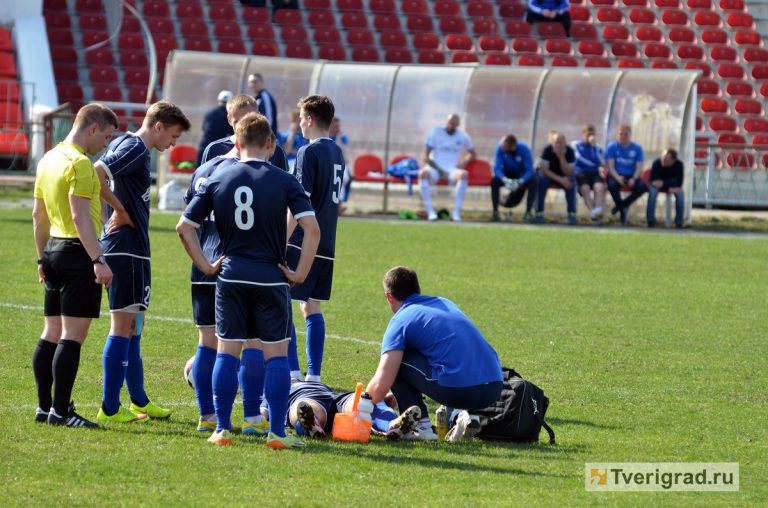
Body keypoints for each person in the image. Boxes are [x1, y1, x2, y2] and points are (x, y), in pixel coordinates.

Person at [177, 112, 321, 448]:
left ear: (236, 143)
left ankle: (222, 429)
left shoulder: (217, 176)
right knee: (276, 356)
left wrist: (207, 265)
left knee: (227, 352)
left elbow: (184, 227)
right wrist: (299, 273)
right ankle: (276, 434)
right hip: (271, 278)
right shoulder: (285, 180)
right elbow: (312, 228)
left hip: (231, 277)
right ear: (270, 144)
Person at [185, 96, 286, 435]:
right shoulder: (265, 164)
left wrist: (203, 261)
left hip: (207, 261)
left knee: (209, 341)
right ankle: (253, 419)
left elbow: (189, 219)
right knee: (252, 343)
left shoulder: (208, 164)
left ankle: (210, 418)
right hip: (244, 261)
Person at [94, 101, 191, 425]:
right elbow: (97, 173)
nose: (172, 145)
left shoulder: (132, 146)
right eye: (173, 136)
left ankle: (139, 401)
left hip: (132, 248)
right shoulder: (135, 146)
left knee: (134, 328)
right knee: (122, 327)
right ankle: (109, 407)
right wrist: (120, 211)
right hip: (126, 248)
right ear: (158, 126)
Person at [31, 104, 117, 428]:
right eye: (106, 137)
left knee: (51, 332)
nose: (105, 145)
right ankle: (62, 411)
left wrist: (42, 257)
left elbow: (38, 216)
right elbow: (80, 216)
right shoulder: (80, 163)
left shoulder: (49, 159)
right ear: (92, 128)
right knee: (71, 337)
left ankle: (44, 407)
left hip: (53, 248)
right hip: (78, 253)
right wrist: (98, 259)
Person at [365, 266, 504, 440]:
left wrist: (360, 405)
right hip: (495, 387)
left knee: (399, 359)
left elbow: (382, 382)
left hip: (459, 390)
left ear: (389, 297)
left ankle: (422, 428)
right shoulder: (444, 302)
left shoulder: (400, 320)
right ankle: (464, 416)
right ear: (418, 290)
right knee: (446, 358)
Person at [285, 95, 345, 384]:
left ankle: (294, 372)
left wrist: (280, 239)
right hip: (328, 241)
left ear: (309, 119)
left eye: (300, 118)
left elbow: (299, 205)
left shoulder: (307, 153)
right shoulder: (337, 152)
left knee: (282, 299)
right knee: (311, 305)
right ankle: (314, 375)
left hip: (303, 240)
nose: (298, 123)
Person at [282, 381, 419, 440]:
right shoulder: (267, 389)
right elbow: (264, 411)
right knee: (303, 405)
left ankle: (393, 424)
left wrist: (383, 399)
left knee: (364, 400)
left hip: (335, 397)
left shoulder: (279, 377)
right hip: (304, 398)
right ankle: (312, 424)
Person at [200, 94, 288, 171]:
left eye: (249, 121)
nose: (243, 127)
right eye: (238, 122)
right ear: (229, 120)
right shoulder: (214, 149)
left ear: (259, 116)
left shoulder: (275, 151)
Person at [419, 113, 476, 222]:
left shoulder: (463, 136)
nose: (452, 126)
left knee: (464, 174)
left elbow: (472, 154)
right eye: (450, 123)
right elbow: (426, 157)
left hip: (451, 169)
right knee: (422, 174)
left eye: (455, 124)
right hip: (435, 168)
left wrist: (463, 162)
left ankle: (456, 213)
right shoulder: (435, 132)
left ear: (458, 124)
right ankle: (431, 212)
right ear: (446, 122)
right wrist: (440, 171)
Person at [490, 134, 537, 223]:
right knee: (495, 181)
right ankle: (495, 212)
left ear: (512, 146)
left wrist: (521, 181)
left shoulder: (524, 149)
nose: (502, 147)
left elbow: (530, 170)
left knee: (533, 181)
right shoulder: (500, 148)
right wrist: (504, 179)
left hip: (520, 175)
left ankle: (528, 213)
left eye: (505, 146)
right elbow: (497, 168)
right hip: (507, 174)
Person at [605, 124, 646, 226]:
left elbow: (639, 167)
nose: (623, 136)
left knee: (642, 187)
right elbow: (611, 167)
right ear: (617, 135)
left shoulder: (637, 148)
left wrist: (634, 178)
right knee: (612, 185)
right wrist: (618, 178)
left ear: (630, 135)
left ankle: (621, 206)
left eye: (625, 134)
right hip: (616, 175)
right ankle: (623, 210)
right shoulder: (612, 147)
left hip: (631, 175)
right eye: (621, 134)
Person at [536, 132, 577, 224]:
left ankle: (572, 213)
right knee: (541, 180)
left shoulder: (570, 151)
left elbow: (568, 172)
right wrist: (561, 180)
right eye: (556, 142)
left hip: (564, 175)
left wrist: (561, 157)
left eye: (560, 142)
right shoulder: (547, 150)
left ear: (565, 142)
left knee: (571, 183)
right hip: (549, 175)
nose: (558, 145)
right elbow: (545, 170)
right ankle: (539, 212)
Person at [572, 124, 607, 222]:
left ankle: (596, 212)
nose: (591, 137)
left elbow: (602, 162)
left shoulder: (597, 148)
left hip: (594, 172)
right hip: (581, 172)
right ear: (583, 134)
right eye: (588, 134)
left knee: (600, 188)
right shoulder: (576, 145)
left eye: (593, 134)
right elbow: (579, 159)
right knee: (585, 188)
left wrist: (594, 148)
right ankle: (594, 212)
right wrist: (594, 163)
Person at [647, 148, 685, 228]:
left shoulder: (679, 165)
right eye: (662, 158)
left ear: (673, 160)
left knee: (680, 194)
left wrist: (664, 184)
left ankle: (679, 222)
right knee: (652, 192)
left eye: (666, 159)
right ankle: (650, 220)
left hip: (671, 187)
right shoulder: (657, 163)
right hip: (658, 187)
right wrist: (668, 186)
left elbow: (678, 183)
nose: (663, 160)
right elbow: (652, 180)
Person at [195, 90, 234, 167]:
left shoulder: (209, 113)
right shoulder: (230, 116)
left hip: (204, 146)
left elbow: (204, 128)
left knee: (200, 171)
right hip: (220, 148)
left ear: (219, 100)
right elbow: (232, 132)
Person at [329, 117, 352, 209]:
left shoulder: (342, 137)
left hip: (340, 163)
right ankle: (333, 204)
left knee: (344, 177)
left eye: (338, 126)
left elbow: (343, 151)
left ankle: (339, 203)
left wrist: (338, 137)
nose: (337, 128)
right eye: (334, 126)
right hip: (329, 163)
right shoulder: (325, 136)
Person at [279, 108, 309, 172]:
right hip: (290, 165)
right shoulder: (286, 135)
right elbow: (286, 151)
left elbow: (307, 153)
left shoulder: (306, 136)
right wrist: (292, 133)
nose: (300, 123)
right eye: (298, 120)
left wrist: (293, 151)